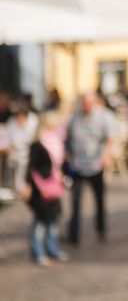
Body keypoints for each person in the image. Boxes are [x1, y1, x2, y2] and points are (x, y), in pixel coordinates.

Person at [65, 92, 115, 245]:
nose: (85, 106)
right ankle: (74, 234)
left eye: (88, 103)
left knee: (99, 200)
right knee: (75, 201)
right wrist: (68, 155)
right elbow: (68, 138)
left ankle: (101, 229)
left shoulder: (103, 117)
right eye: (83, 103)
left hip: (95, 166)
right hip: (78, 166)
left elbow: (111, 139)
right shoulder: (75, 117)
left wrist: (105, 155)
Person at [23, 113, 69, 267]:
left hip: (53, 185)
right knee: (40, 222)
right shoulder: (38, 144)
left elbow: (59, 164)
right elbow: (32, 168)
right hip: (41, 188)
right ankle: (38, 251)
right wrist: (36, 186)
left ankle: (52, 248)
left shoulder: (55, 142)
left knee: (53, 219)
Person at [5, 101, 39, 197]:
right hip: (13, 154)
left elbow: (30, 141)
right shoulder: (11, 123)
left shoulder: (32, 123)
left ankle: (20, 191)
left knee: (21, 176)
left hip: (25, 155)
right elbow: (8, 138)